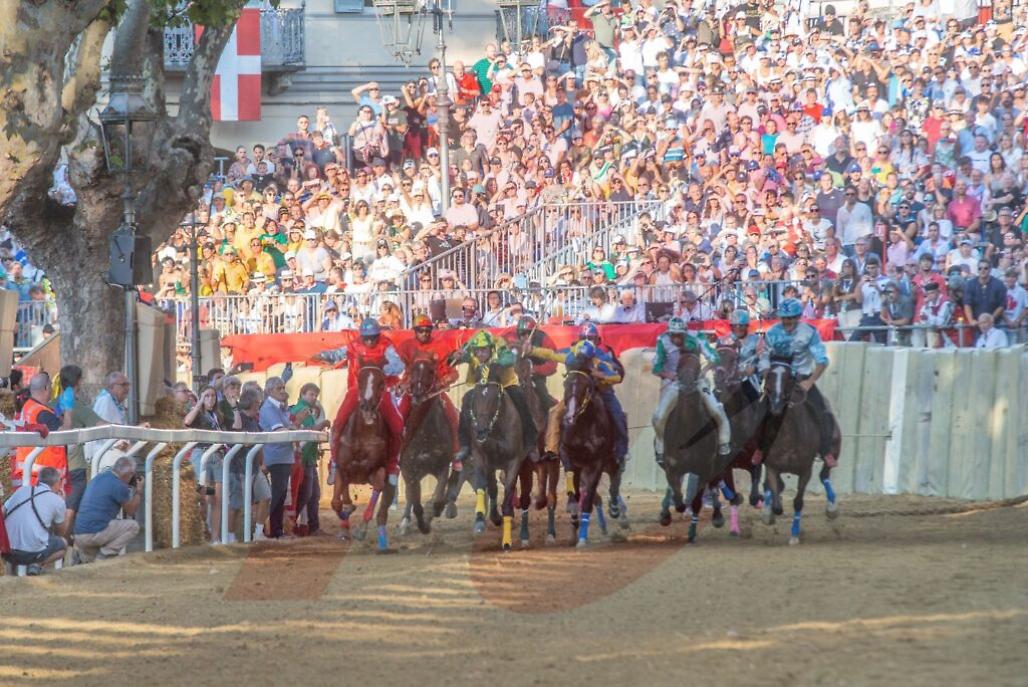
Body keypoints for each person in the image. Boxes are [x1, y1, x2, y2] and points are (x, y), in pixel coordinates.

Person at [530, 324, 629, 466]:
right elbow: (550, 353)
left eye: (591, 338)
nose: (587, 340)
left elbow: (617, 376)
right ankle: (552, 450)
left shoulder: (603, 354)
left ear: (597, 339)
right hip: (577, 393)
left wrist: (600, 374)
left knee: (618, 415)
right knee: (554, 412)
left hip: (602, 391)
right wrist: (531, 350)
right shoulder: (571, 353)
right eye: (584, 338)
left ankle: (621, 451)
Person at [757, 298, 836, 467]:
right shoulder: (772, 333)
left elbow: (822, 361)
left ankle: (825, 450)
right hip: (778, 379)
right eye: (784, 317)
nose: (787, 321)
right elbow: (764, 357)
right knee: (759, 411)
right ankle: (760, 448)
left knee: (823, 410)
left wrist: (809, 382)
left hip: (802, 379)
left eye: (791, 317)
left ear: (798, 316)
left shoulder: (810, 332)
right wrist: (766, 374)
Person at [325, 319, 406, 481]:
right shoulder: (354, 345)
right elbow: (337, 354)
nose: (369, 341)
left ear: (378, 335)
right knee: (338, 423)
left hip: (381, 391)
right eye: (366, 337)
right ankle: (334, 461)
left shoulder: (386, 345)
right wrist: (322, 355)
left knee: (397, 427)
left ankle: (391, 465)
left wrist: (380, 370)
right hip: (356, 390)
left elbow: (399, 365)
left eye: (373, 337)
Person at [651, 317, 731, 467]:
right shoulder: (662, 340)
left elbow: (714, 356)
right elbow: (656, 367)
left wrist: (705, 370)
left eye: (679, 335)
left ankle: (723, 442)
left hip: (696, 380)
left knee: (716, 409)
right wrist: (671, 375)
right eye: (673, 335)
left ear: (685, 333)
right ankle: (660, 444)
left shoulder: (697, 337)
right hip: (674, 381)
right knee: (659, 416)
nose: (676, 338)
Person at [449, 330, 538, 463]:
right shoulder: (472, 350)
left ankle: (530, 441)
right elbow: (457, 358)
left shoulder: (500, 347)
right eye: (477, 351)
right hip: (482, 387)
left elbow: (510, 358)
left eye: (484, 350)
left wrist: (496, 363)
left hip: (505, 384)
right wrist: (455, 356)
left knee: (519, 398)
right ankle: (465, 445)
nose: (480, 354)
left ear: (491, 348)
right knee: (467, 399)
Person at [395, 314, 462, 468]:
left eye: (427, 330)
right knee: (397, 419)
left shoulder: (441, 345)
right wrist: (402, 384)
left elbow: (452, 372)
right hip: (412, 389)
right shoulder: (406, 346)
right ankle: (395, 454)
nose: (424, 333)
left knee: (453, 418)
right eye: (420, 330)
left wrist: (443, 382)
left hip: (434, 389)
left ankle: (456, 455)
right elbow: (397, 368)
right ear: (415, 331)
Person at [73, 456, 142, 562]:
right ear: (129, 473)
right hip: (94, 534)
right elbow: (131, 511)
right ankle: (105, 556)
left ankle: (82, 557)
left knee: (91, 564)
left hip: (79, 535)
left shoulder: (99, 477)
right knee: (133, 526)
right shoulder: (119, 485)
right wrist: (138, 491)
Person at [2, 467, 68, 575]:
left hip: (6, 550)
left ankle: (10, 576)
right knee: (62, 544)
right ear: (57, 483)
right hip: (30, 554)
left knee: (14, 533)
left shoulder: (21, 490)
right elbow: (62, 532)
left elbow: (3, 512)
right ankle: (36, 564)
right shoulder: (57, 501)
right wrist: (63, 503)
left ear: (38, 480)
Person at [259, 376, 298, 539]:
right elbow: (279, 431)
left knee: (281, 494)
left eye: (283, 388)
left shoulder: (280, 408)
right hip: (275, 455)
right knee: (278, 494)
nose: (283, 391)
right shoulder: (269, 408)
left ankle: (276, 529)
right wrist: (295, 432)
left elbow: (287, 428)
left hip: (283, 455)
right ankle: (274, 530)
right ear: (269, 391)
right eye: (278, 389)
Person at [14, 373, 66, 490]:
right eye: (51, 386)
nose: (53, 389)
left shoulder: (28, 406)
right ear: (46, 388)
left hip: (32, 473)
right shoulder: (43, 414)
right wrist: (68, 411)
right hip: (44, 479)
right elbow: (65, 435)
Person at [290, 383, 330, 536]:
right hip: (303, 457)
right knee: (307, 494)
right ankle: (293, 523)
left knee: (311, 494)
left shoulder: (306, 410)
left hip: (307, 456)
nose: (314, 398)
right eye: (311, 394)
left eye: (315, 395)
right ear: (302, 394)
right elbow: (308, 431)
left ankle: (310, 526)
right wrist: (323, 425)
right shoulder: (302, 410)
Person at [718, 309, 763, 401]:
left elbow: (764, 360)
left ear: (747, 326)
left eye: (741, 326)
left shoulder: (756, 340)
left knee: (755, 400)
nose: (738, 328)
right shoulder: (723, 340)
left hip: (749, 378)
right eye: (735, 326)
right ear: (731, 326)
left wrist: (755, 367)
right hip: (727, 378)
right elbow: (717, 360)